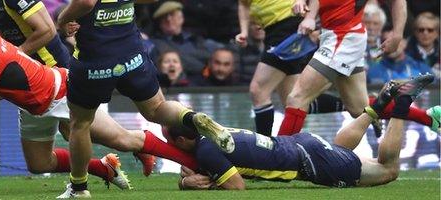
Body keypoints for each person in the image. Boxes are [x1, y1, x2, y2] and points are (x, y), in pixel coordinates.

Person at [0, 8, 199, 191]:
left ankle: (191, 162)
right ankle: (103, 168)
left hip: (63, 93)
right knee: (39, 164)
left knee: (123, 140)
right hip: (31, 103)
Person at [57, 0, 234, 197]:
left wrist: (62, 19)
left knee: (80, 124)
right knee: (156, 108)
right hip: (132, 56)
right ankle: (192, 118)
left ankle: (79, 188)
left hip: (95, 60)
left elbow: (85, 2)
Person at [172, 74, 437, 190]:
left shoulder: (206, 149)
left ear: (183, 140)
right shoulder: (211, 133)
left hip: (309, 161)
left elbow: (236, 186)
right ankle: (376, 107)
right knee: (343, 152)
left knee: (387, 170)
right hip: (302, 143)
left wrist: (208, 183)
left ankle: (401, 105)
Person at [277, 0, 407, 136]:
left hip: (344, 38)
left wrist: (397, 35)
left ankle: (281, 155)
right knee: (359, 109)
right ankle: (427, 117)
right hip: (330, 35)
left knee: (297, 98)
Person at [236, 0, 344, 136]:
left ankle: (264, 149)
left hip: (288, 28)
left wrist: (310, 18)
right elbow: (244, 4)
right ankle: (364, 106)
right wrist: (244, 31)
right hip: (272, 32)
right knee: (295, 100)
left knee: (258, 90)